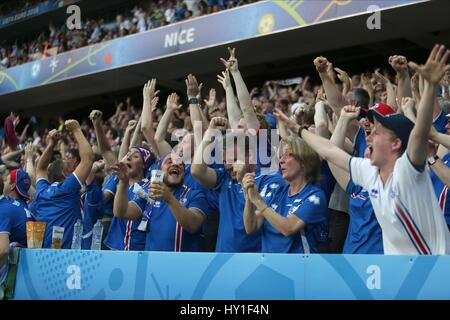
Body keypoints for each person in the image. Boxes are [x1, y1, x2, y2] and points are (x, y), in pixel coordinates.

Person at [278, 45, 450, 255]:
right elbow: (330, 151)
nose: (368, 134)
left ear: (396, 144)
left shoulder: (409, 170)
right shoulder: (369, 173)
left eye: (377, 132)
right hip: (394, 271)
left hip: (434, 272)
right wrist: (297, 128)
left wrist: (429, 87)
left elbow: (418, 132)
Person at [191, 117, 285, 252]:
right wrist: (210, 132)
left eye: (234, 159)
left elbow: (252, 226)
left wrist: (242, 181)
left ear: (250, 155)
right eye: (225, 160)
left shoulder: (271, 180)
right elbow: (196, 170)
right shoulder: (225, 177)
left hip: (254, 261)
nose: (228, 165)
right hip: (222, 259)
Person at [242, 136, 328, 253]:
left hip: (297, 268)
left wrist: (258, 201)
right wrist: (249, 198)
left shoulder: (315, 197)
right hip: (268, 266)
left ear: (304, 161)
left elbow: (288, 228)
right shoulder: (277, 191)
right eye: (281, 156)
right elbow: (251, 227)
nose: (281, 160)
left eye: (288, 155)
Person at [112, 153, 209, 251]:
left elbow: (193, 225)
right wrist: (123, 182)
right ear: (159, 171)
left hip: (183, 264)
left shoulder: (195, 195)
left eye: (179, 163)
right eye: (169, 162)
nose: (175, 164)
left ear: (183, 172)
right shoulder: (151, 194)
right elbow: (121, 212)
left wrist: (169, 199)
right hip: (152, 263)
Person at [30, 120, 94, 249]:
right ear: (65, 174)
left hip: (42, 254)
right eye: (71, 167)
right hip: (66, 257)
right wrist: (76, 129)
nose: (74, 168)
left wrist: (51, 144)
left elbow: (40, 168)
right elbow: (88, 158)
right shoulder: (67, 188)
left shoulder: (41, 190)